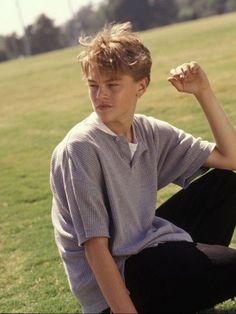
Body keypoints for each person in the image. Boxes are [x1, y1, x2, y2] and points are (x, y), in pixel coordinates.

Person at [50, 22, 236, 314]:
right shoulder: (81, 148)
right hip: (118, 278)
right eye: (93, 85)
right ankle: (187, 285)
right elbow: (96, 249)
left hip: (144, 243)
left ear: (141, 86)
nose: (101, 96)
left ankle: (189, 287)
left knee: (226, 182)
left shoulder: (148, 131)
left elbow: (231, 159)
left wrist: (203, 92)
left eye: (112, 85)